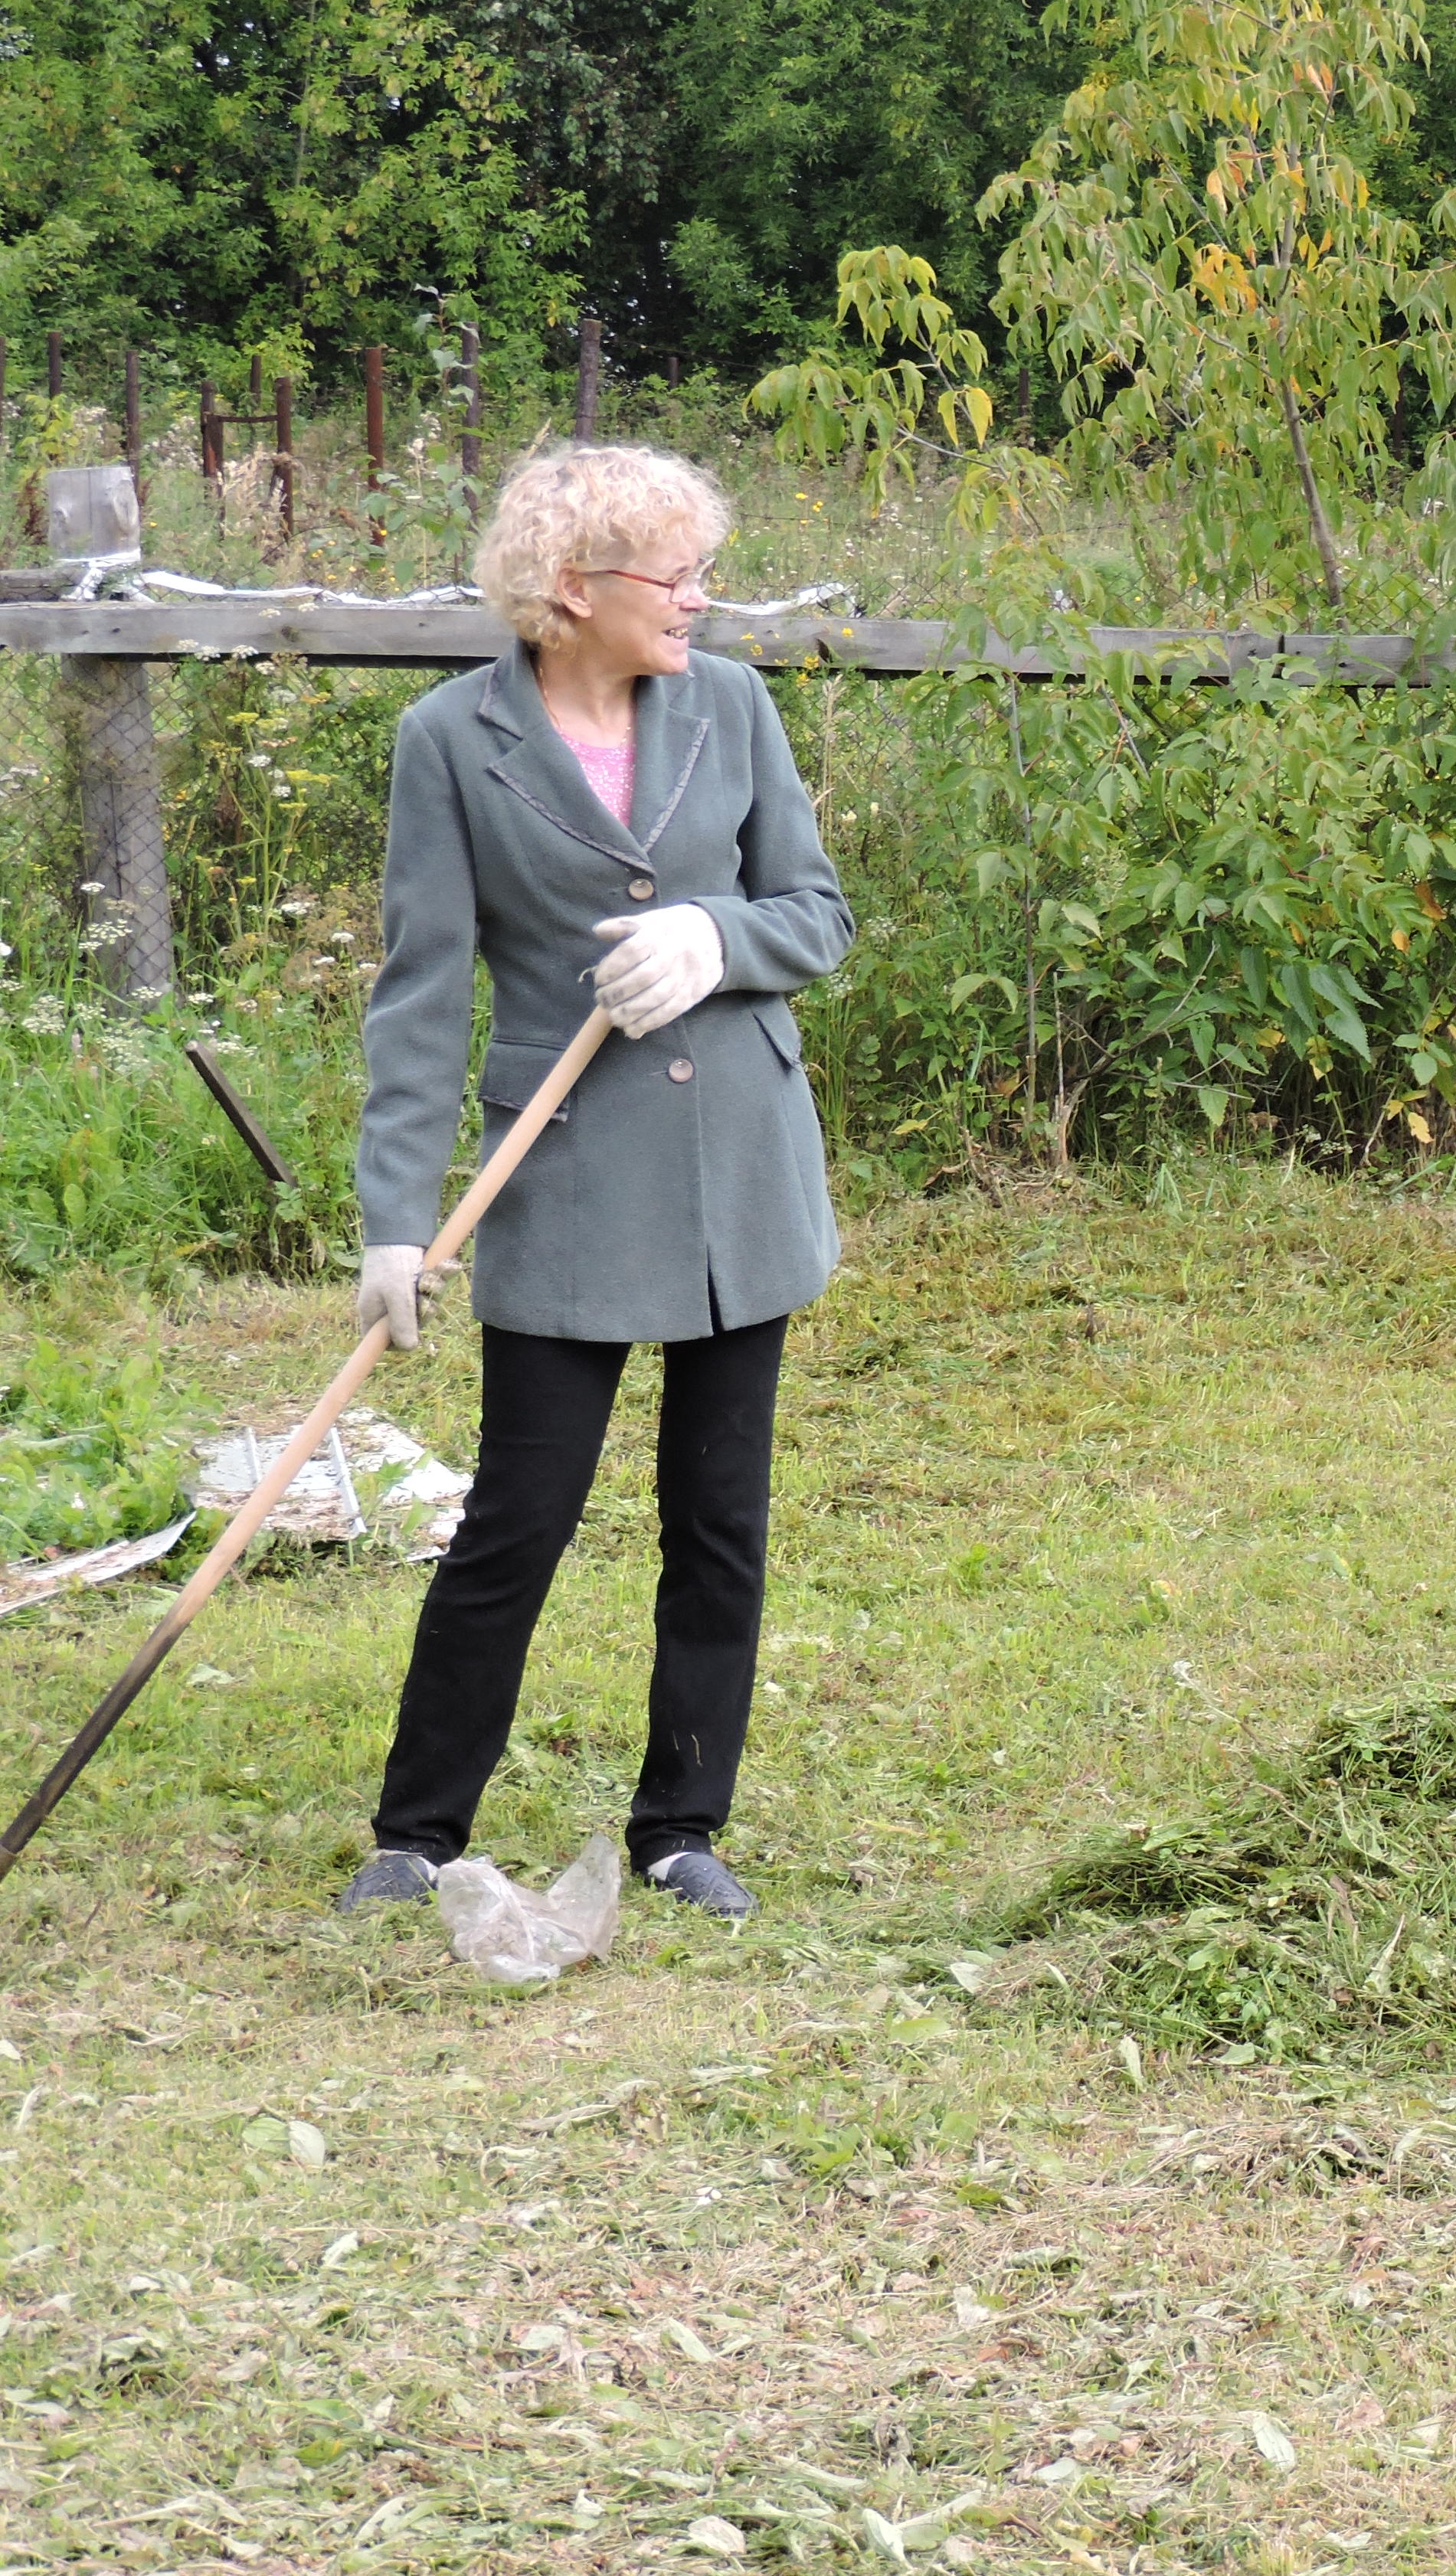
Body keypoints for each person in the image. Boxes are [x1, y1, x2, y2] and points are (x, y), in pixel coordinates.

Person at [338, 443, 855, 1921]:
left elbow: (815, 913)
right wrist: (395, 1223)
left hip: (738, 1171)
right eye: (674, 577)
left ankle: (681, 1825)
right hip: (562, 1174)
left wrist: (716, 938)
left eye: (703, 574)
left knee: (719, 1520)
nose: (700, 600)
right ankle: (418, 1831)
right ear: (573, 589)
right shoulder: (451, 739)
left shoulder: (730, 705)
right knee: (520, 1514)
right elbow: (420, 995)